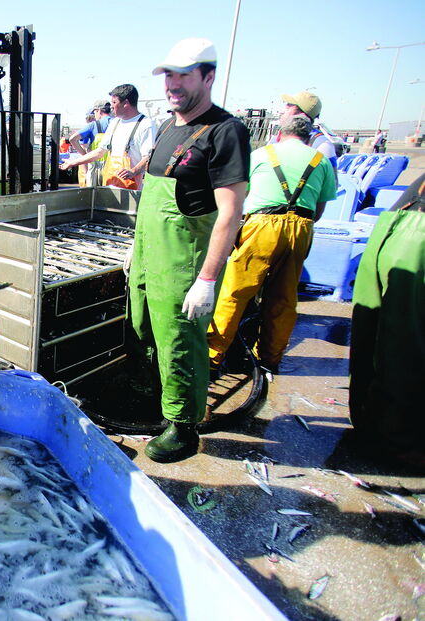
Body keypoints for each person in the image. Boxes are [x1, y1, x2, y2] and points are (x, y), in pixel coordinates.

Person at [127, 38, 250, 463]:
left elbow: (230, 212)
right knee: (143, 328)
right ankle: (154, 399)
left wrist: (207, 279)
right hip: (149, 254)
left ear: (208, 76)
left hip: (184, 261)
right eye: (168, 75)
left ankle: (183, 427)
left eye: (184, 75)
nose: (173, 85)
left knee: (179, 340)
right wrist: (137, 248)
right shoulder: (167, 127)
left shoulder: (225, 131)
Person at [207, 115, 338, 376]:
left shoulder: (260, 155)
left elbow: (236, 197)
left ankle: (212, 358)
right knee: (283, 298)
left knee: (235, 293)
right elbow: (319, 210)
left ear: (279, 133)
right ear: (309, 138)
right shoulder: (321, 160)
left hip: (262, 225)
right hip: (301, 228)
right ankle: (269, 360)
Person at [349, 172, 425, 467]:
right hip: (416, 245)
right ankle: (400, 441)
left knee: (372, 333)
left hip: (389, 233)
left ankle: (370, 424)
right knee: (407, 347)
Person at [60, 84, 156, 190]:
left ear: (126, 103)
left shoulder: (146, 124)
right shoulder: (115, 123)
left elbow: (148, 158)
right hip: (110, 187)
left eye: (114, 102)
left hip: (132, 190)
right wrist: (72, 163)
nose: (111, 107)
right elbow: (100, 152)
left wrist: (133, 171)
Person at [271, 91, 337, 172]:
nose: (282, 111)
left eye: (288, 108)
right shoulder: (276, 138)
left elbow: (332, 179)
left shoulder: (322, 145)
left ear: (301, 115)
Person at [66, 99, 114, 186]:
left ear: (99, 111)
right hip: (113, 166)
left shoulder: (93, 125)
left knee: (94, 193)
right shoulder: (118, 123)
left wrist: (85, 155)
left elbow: (72, 139)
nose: (94, 115)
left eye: (94, 112)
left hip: (96, 167)